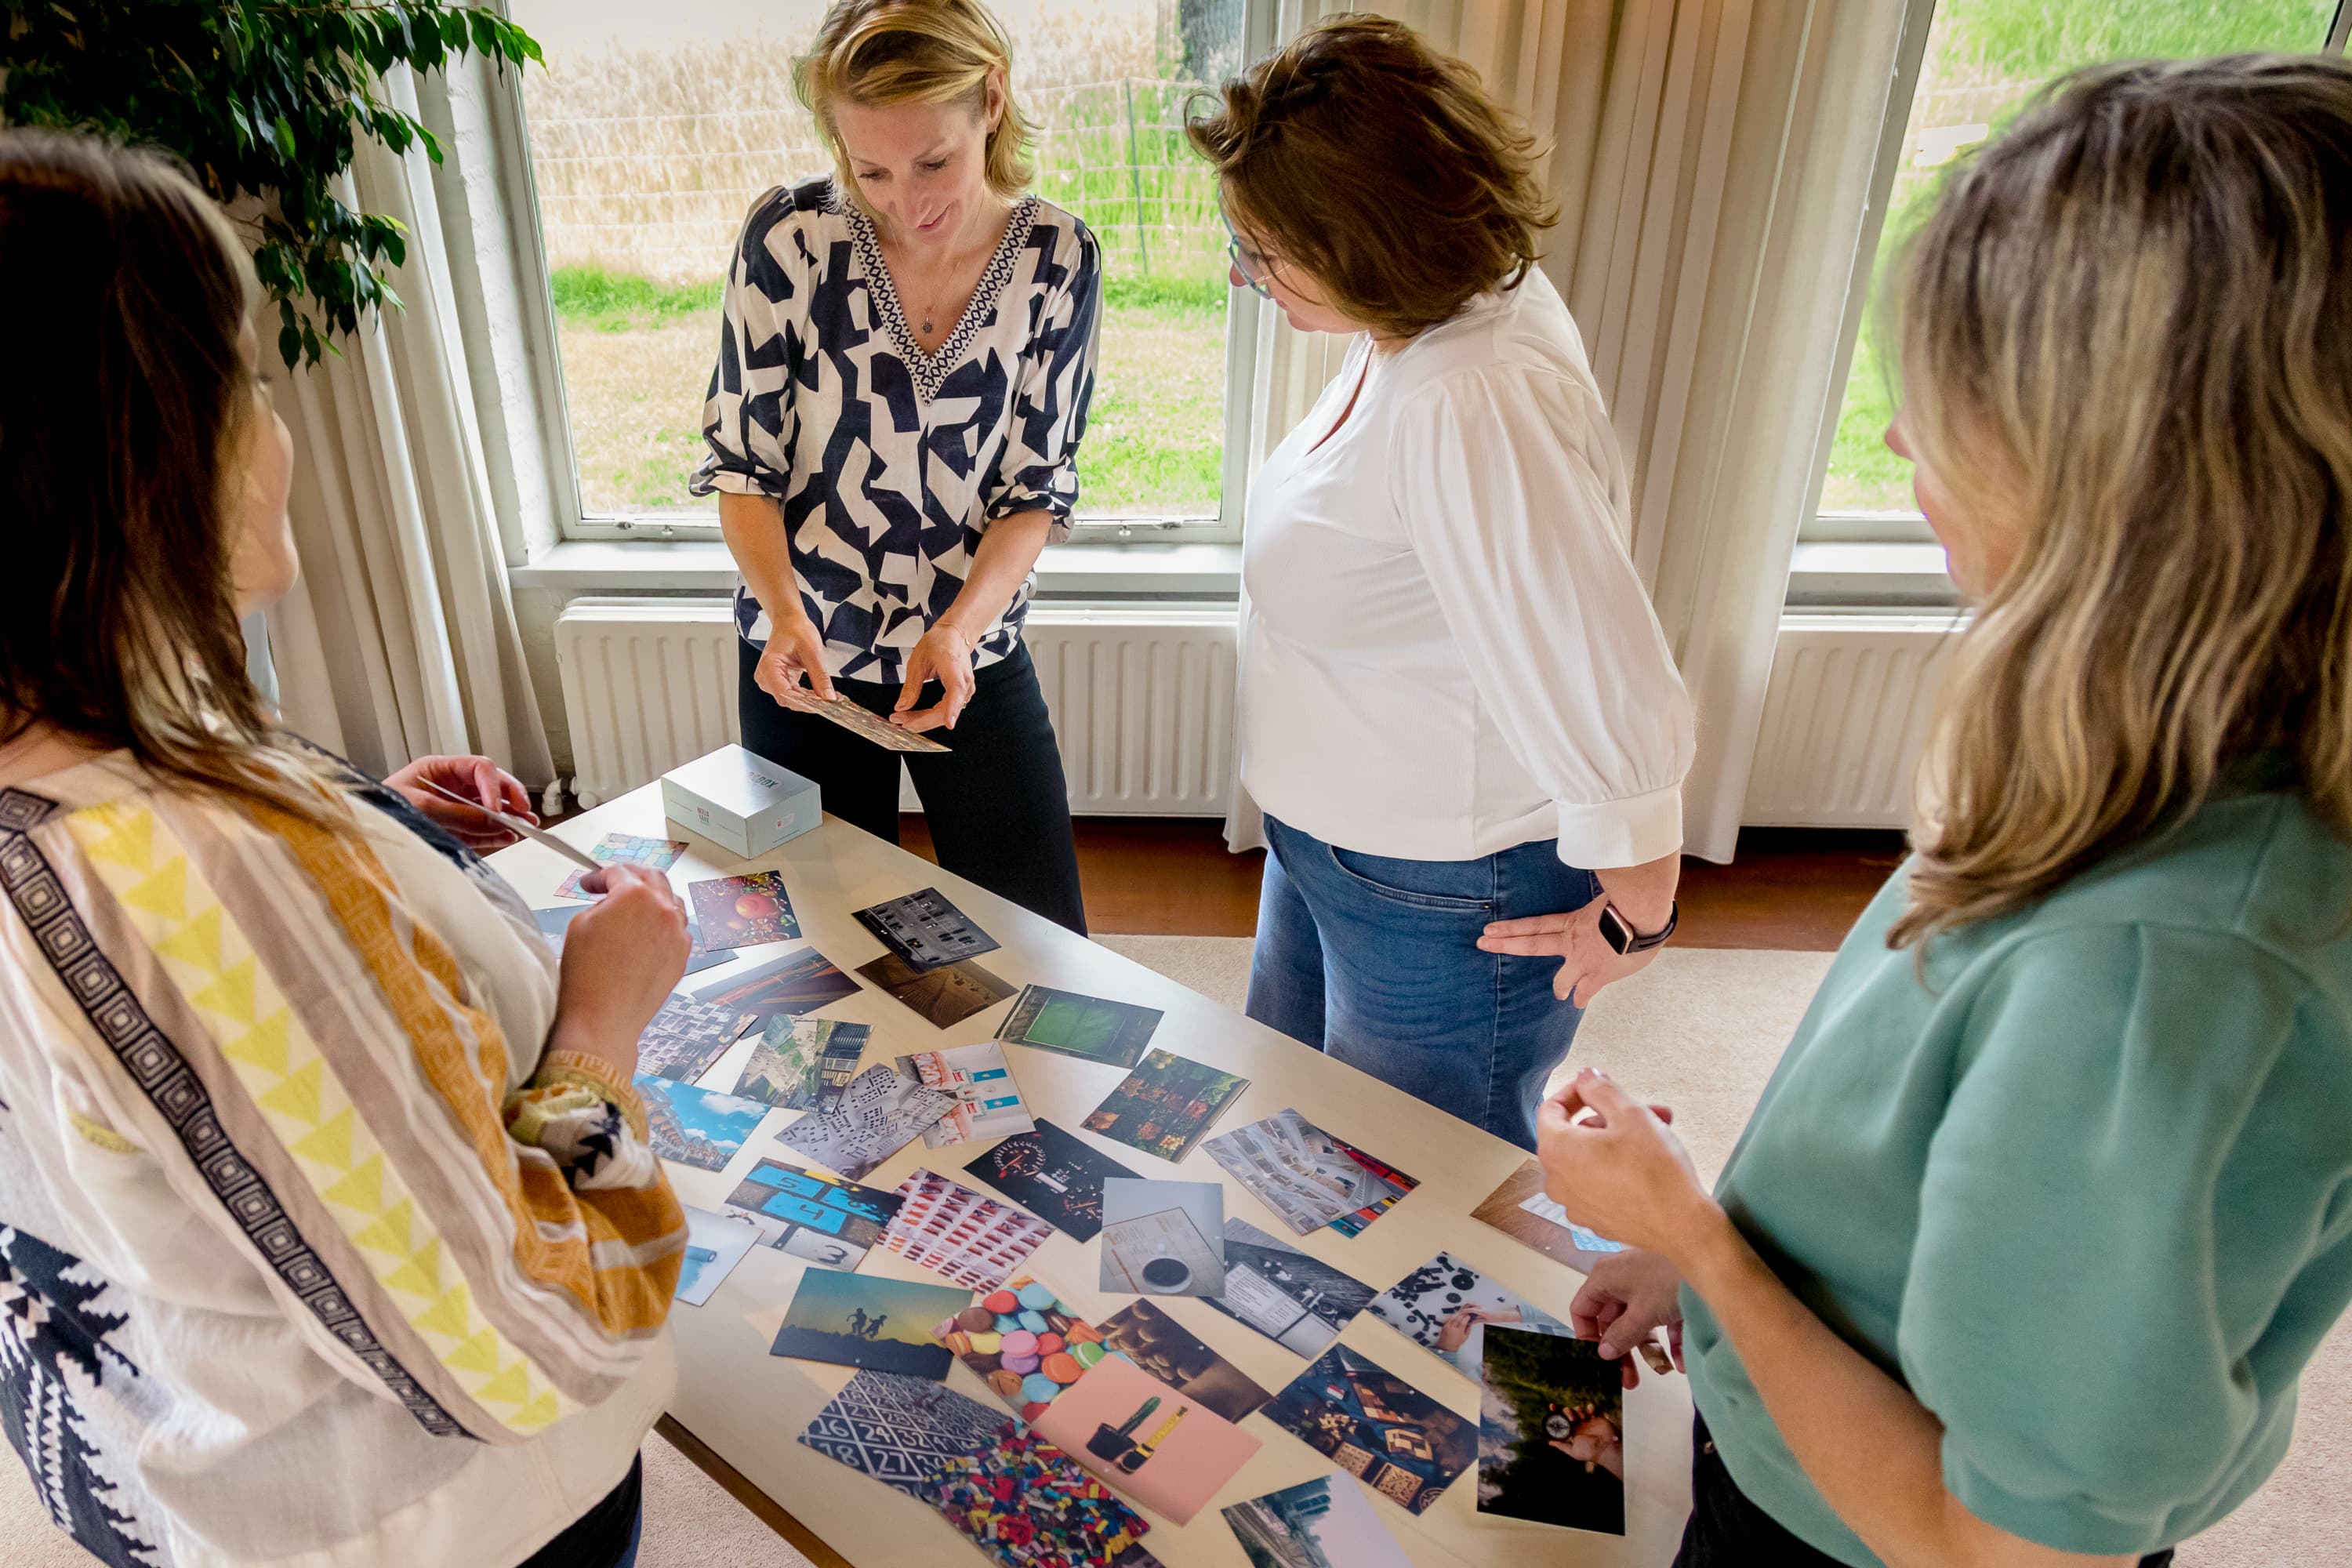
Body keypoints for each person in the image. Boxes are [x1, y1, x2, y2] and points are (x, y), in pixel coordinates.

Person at [1539, 55, 2352, 1568]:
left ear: (2137, 472)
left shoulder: (2162, 968)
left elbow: (1994, 1550)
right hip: (1805, 1435)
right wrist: (1711, 1269)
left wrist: (1695, 1237)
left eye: (1962, 398)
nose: (1903, 441)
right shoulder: (2133, 743)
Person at [0, 131, 693, 1568]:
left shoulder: (76, 776)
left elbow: (160, 1064)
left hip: (176, 1441)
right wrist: (604, 1019)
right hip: (438, 1522)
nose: (275, 424)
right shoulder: (191, 870)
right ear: (134, 459)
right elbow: (527, 1335)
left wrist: (369, 833)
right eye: (246, 380)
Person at [1185, 16, 1695, 1148]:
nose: (1244, 273)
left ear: (1366, 235)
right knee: (1299, 1152)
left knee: (1427, 1204)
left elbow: (1593, 659)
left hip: (1446, 892)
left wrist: (1637, 917)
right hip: (1335, 852)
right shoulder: (1414, 324)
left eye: (1265, 251)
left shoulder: (1475, 397)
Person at [694, 0, 1100, 935]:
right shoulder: (789, 240)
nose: (906, 201)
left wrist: (957, 631)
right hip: (806, 660)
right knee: (825, 944)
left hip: (971, 653)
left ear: (991, 102)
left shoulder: (1059, 257)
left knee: (1046, 943)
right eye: (868, 168)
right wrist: (788, 616)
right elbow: (743, 468)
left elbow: (1034, 488)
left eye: (933, 162)